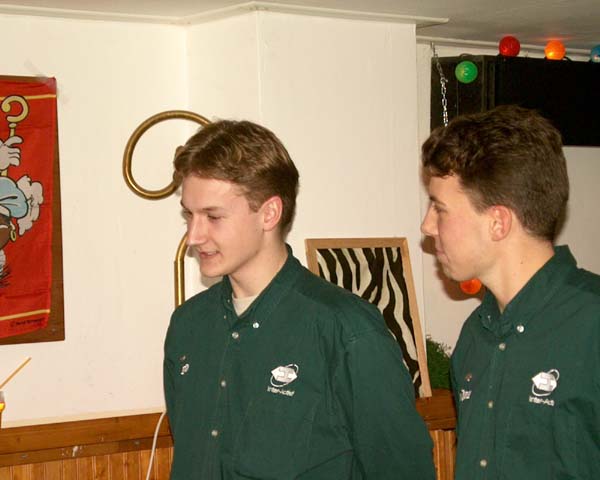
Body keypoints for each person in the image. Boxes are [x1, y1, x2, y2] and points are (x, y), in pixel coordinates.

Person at [163, 119, 435, 479]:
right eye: (189, 215)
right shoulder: (188, 325)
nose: (194, 236)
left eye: (213, 216)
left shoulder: (345, 329)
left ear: (269, 213)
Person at [420, 104, 600, 479]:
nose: (427, 225)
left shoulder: (591, 324)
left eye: (440, 208)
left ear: (498, 222)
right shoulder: (475, 334)